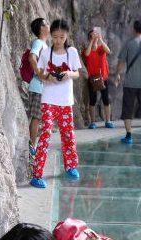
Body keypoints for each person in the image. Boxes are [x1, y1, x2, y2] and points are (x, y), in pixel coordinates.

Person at [30, 18, 83, 189]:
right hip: (49, 99)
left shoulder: (72, 52)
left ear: (67, 36)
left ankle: (71, 166)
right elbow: (41, 74)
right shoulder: (46, 53)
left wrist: (68, 73)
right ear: (51, 36)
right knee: (45, 134)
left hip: (66, 101)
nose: (58, 40)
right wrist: (49, 77)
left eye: (62, 37)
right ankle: (37, 175)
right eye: (55, 37)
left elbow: (77, 73)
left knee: (68, 135)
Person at [115, 20, 141, 145]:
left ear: (133, 29)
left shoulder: (128, 44)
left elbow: (121, 62)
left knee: (128, 109)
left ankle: (128, 136)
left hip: (130, 83)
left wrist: (117, 74)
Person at [27, 18, 50, 156]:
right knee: (36, 117)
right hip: (37, 87)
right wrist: (40, 74)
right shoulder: (38, 43)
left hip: (42, 87)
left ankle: (34, 145)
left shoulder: (45, 45)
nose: (48, 25)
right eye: (46, 23)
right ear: (41, 28)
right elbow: (32, 57)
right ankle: (32, 146)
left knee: (39, 117)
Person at [82, 27, 114, 129]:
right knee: (92, 100)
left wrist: (100, 39)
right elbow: (87, 54)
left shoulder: (101, 48)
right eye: (92, 35)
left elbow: (108, 51)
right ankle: (92, 122)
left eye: (95, 34)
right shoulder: (87, 50)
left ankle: (108, 121)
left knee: (106, 99)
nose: (94, 37)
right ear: (89, 38)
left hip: (103, 77)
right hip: (92, 78)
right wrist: (92, 41)